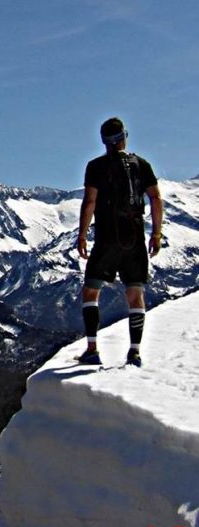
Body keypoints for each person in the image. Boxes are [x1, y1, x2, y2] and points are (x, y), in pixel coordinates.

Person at [76, 117, 163, 366]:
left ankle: (92, 349)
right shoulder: (141, 164)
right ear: (125, 136)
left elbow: (90, 201)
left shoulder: (95, 167)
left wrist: (82, 234)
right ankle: (134, 352)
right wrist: (156, 233)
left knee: (91, 290)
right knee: (135, 293)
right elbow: (155, 198)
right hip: (134, 236)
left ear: (104, 141)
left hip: (107, 236)